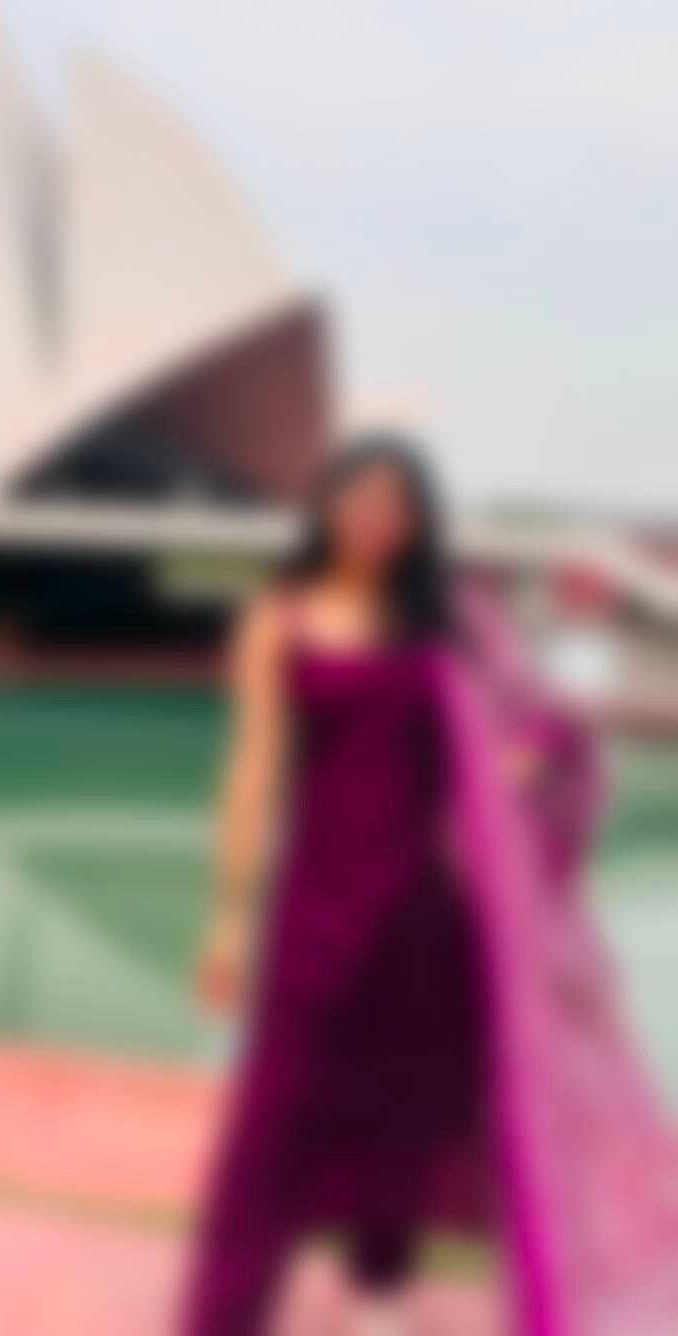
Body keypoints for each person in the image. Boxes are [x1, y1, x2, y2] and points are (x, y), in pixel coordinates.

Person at [180, 433, 676, 1336]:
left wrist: (522, 762)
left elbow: (535, 720)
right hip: (315, 910)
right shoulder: (278, 618)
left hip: (427, 914)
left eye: (396, 506)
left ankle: (379, 1284)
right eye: (361, 498)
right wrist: (227, 914)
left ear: (416, 523)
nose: (375, 520)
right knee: (275, 1121)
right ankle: (222, 1313)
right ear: (329, 502)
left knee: (403, 1105)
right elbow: (250, 771)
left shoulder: (448, 622)